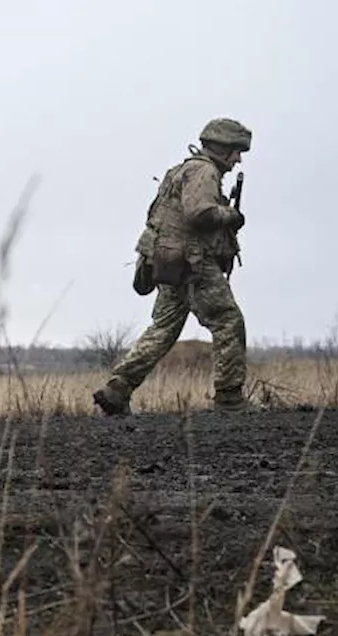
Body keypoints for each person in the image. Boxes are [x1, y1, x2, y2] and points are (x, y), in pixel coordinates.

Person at [94, 118, 253, 415]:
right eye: (235, 151)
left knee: (163, 329)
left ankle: (116, 389)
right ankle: (230, 399)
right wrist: (231, 216)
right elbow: (199, 214)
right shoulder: (204, 171)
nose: (238, 159)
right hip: (194, 265)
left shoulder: (181, 170)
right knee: (228, 321)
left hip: (170, 264)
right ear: (221, 148)